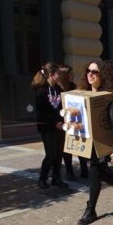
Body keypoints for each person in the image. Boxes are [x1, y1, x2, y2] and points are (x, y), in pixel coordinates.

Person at [77, 60, 113, 225]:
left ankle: (90, 210)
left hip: (102, 144)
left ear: (102, 75)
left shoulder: (108, 98)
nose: (90, 74)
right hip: (86, 142)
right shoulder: (83, 94)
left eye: (95, 72)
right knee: (103, 173)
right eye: (88, 70)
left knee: (95, 172)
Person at [31, 62, 68, 190]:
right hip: (47, 127)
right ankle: (42, 178)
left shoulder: (59, 90)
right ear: (51, 75)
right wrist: (54, 123)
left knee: (59, 153)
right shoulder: (41, 91)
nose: (60, 76)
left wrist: (63, 121)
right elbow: (42, 112)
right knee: (50, 154)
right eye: (58, 73)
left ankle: (56, 178)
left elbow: (64, 107)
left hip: (60, 126)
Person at [57, 64, 88, 180]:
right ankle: (69, 171)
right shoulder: (58, 89)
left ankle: (84, 169)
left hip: (76, 121)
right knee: (68, 148)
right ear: (64, 75)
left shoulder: (74, 87)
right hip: (64, 123)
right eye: (70, 74)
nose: (72, 76)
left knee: (79, 145)